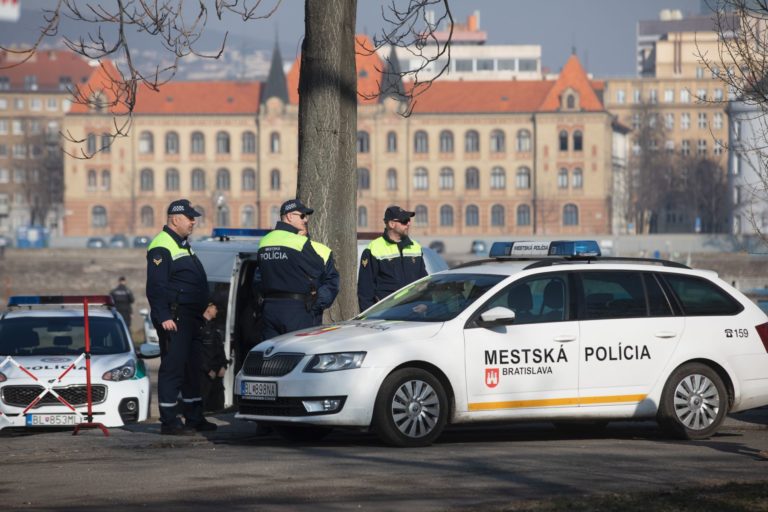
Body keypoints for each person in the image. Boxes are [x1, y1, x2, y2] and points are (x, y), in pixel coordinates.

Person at [146, 199, 216, 436]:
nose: (194, 221)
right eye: (190, 218)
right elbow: (156, 286)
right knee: (173, 369)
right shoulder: (162, 245)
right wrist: (164, 315)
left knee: (192, 368)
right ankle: (169, 420)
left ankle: (194, 417)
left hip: (190, 318)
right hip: (175, 318)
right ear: (175, 219)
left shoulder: (183, 244)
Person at [256, 198, 339, 340]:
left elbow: (258, 279)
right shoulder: (299, 242)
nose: (305, 220)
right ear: (289, 216)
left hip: (269, 309)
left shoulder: (264, 241)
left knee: (273, 356)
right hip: (296, 310)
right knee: (299, 354)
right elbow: (317, 268)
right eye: (302, 216)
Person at [357, 205, 427, 311]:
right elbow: (365, 289)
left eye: (409, 220)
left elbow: (424, 282)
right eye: (404, 220)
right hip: (387, 314)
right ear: (391, 224)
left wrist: (425, 304)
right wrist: (369, 316)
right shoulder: (374, 248)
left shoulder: (415, 247)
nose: (409, 223)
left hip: (414, 312)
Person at [198, 302, 227, 413]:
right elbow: (198, 353)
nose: (217, 311)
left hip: (217, 373)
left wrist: (223, 365)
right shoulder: (199, 327)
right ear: (208, 309)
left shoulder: (214, 327)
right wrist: (208, 370)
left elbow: (220, 349)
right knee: (203, 404)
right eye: (215, 308)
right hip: (205, 374)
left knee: (218, 407)